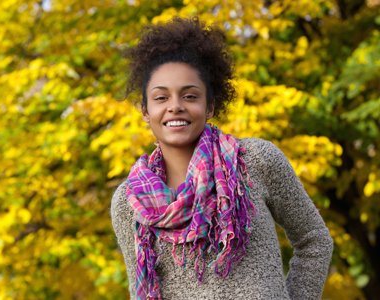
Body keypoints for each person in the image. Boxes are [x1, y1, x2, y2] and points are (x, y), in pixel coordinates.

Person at [111, 17, 333, 300]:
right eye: (161, 98)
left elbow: (314, 240)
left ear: (210, 105)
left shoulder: (255, 161)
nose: (175, 107)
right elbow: (141, 291)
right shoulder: (129, 202)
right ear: (145, 110)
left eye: (190, 96)